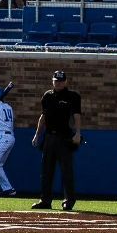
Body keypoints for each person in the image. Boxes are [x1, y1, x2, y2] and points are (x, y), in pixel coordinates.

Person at [31, 70, 82, 211]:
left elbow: (77, 116)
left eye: (60, 81)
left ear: (65, 81)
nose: (58, 83)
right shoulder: (47, 96)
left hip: (65, 137)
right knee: (46, 170)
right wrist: (37, 135)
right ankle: (45, 200)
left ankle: (69, 200)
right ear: (52, 81)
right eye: (56, 80)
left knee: (67, 171)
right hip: (49, 137)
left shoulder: (72, 96)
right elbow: (43, 117)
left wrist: (77, 133)